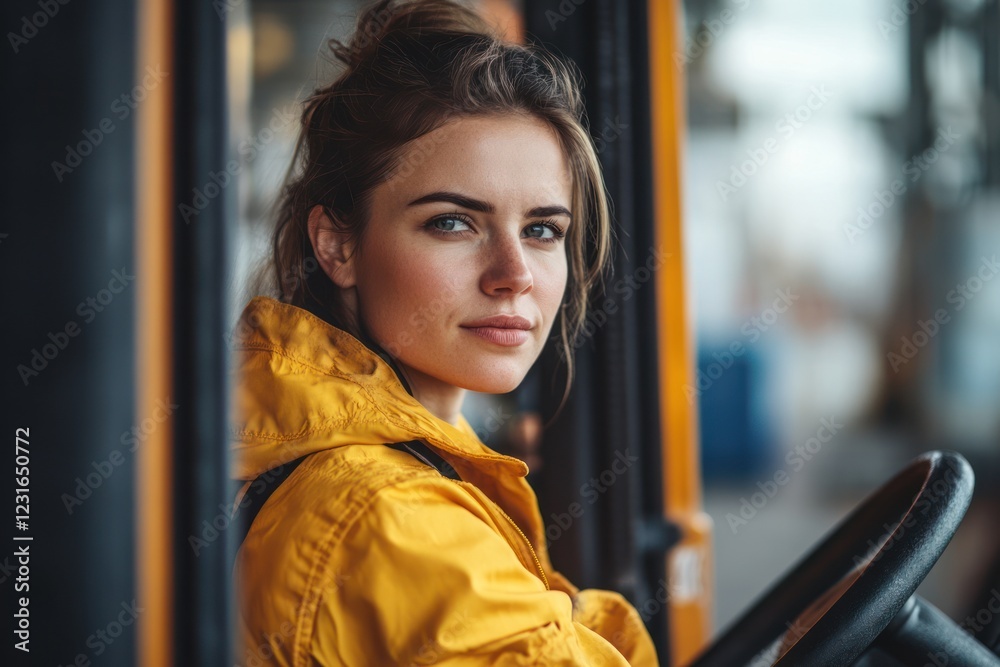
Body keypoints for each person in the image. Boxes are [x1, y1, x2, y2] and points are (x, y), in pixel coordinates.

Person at [231, 1, 659, 664]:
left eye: (542, 230)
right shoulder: (387, 517)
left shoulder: (379, 456)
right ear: (337, 244)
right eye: (454, 223)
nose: (513, 274)